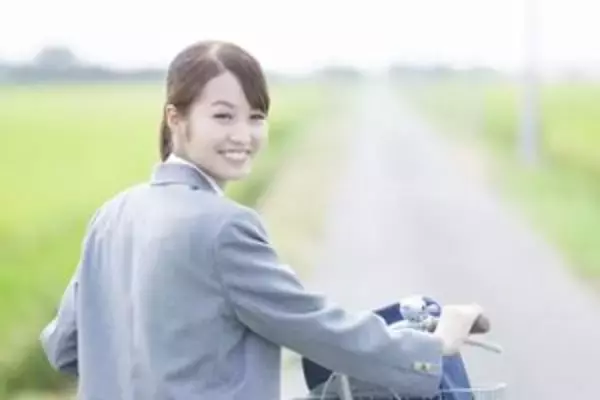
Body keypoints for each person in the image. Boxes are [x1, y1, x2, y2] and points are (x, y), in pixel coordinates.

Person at [40, 40, 484, 400]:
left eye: (255, 117)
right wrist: (434, 347)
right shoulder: (224, 227)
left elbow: (64, 346)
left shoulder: (112, 215)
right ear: (176, 118)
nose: (243, 134)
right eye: (222, 116)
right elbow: (316, 328)